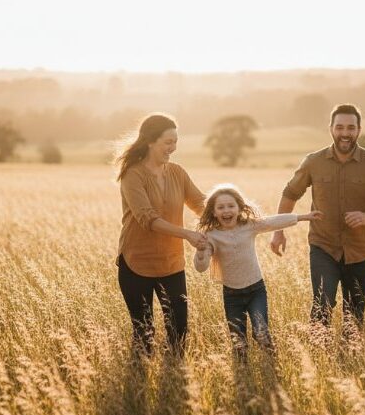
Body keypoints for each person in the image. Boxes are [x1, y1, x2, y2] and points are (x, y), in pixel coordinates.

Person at [270, 103, 365, 331]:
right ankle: (319, 358)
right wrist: (278, 232)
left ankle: (351, 359)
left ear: (359, 130)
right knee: (322, 305)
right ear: (331, 128)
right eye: (340, 127)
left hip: (360, 249)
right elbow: (290, 194)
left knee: (355, 313)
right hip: (323, 247)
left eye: (351, 127)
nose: (345, 133)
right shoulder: (314, 161)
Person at [115, 113, 208, 356]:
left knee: (179, 332)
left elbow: (200, 203)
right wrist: (187, 234)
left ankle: (175, 382)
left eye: (175, 142)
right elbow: (148, 218)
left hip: (171, 262)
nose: (173, 148)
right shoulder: (132, 175)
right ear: (150, 141)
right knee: (144, 335)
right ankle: (139, 386)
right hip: (136, 264)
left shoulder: (177, 172)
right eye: (168, 142)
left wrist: (232, 214)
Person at [194, 184, 322, 359]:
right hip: (231, 294)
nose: (226, 211)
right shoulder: (211, 236)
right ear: (213, 212)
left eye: (231, 206)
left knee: (261, 332)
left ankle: (272, 362)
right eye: (221, 207)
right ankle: (243, 370)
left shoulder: (249, 226)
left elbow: (273, 221)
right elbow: (201, 267)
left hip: (256, 290)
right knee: (238, 341)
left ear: (239, 208)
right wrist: (201, 253)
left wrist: (303, 216)